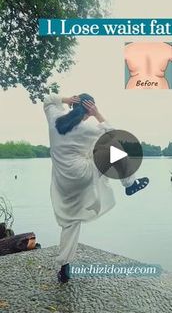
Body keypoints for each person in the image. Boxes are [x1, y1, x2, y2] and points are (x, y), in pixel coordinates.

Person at [43, 92, 149, 283]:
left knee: (70, 221)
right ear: (88, 110)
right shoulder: (87, 128)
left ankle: (64, 267)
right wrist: (98, 114)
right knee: (115, 149)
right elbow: (116, 137)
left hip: (63, 180)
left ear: (73, 106)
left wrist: (66, 99)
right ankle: (130, 183)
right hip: (82, 174)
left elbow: (48, 100)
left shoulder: (54, 119)